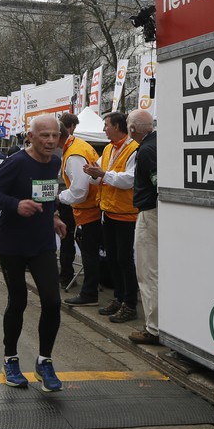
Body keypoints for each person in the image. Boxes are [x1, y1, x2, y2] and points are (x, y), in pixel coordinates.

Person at [0, 113, 68, 393]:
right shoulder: (16, 162)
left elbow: (47, 195)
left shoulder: (55, 161)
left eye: (55, 135)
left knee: (52, 301)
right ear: (30, 137)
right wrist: (16, 205)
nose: (51, 141)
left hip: (42, 242)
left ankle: (44, 362)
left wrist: (54, 217)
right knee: (18, 301)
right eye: (44, 135)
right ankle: (10, 359)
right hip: (13, 243)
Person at [83, 111, 140, 324]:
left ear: (117, 126)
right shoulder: (108, 148)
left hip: (126, 214)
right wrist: (92, 173)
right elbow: (99, 174)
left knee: (125, 259)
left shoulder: (134, 149)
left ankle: (130, 304)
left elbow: (129, 180)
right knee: (113, 258)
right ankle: (119, 298)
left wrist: (102, 174)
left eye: (106, 125)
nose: (104, 129)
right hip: (108, 211)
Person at [57, 112, 102, 306]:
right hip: (90, 207)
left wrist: (59, 198)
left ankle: (89, 293)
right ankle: (90, 291)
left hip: (89, 209)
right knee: (89, 252)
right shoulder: (76, 146)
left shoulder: (74, 153)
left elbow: (79, 191)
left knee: (89, 253)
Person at [126, 110, 159, 346]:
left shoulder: (146, 150)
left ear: (132, 129)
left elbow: (157, 182)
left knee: (148, 272)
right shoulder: (157, 144)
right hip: (157, 211)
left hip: (149, 212)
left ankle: (153, 328)